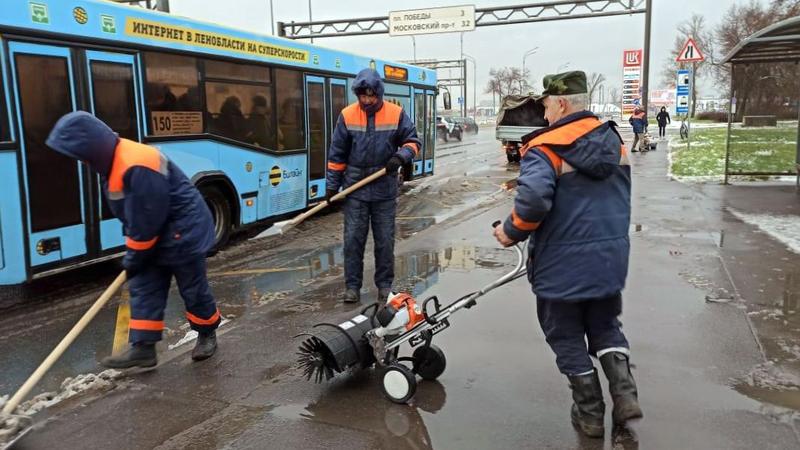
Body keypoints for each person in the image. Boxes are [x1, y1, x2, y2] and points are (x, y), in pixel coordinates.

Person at [492, 71, 642, 438]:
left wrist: (509, 232)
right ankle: (625, 394)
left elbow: (533, 201)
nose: (543, 116)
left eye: (545, 107)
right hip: (610, 258)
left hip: (562, 264)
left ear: (560, 103)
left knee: (565, 334)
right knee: (606, 325)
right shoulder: (613, 140)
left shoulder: (545, 147)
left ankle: (590, 414)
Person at [46, 111, 220, 368]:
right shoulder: (111, 163)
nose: (81, 162)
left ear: (91, 147)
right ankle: (144, 348)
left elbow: (148, 216)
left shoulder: (136, 163)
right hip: (155, 233)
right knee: (144, 284)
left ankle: (207, 334)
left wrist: (135, 254)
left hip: (184, 231)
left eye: (81, 155)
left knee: (193, 289)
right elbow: (136, 216)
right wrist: (136, 254)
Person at [326, 68, 421, 303]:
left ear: (379, 93)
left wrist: (400, 157)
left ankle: (385, 285)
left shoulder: (396, 113)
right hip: (355, 188)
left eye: (371, 96)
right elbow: (337, 154)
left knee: (385, 241)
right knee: (353, 241)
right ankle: (352, 287)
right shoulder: (347, 115)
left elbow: (413, 141)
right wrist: (331, 187)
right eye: (363, 96)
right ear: (358, 94)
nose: (367, 101)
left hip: (384, 188)